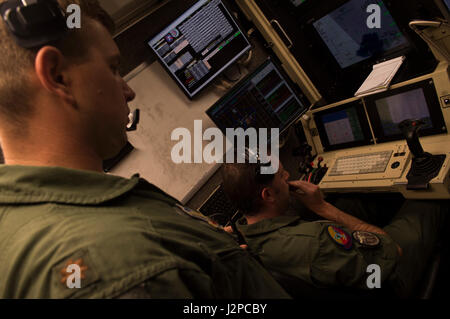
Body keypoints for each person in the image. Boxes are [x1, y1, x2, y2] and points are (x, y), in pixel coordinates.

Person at [0, 0, 290, 299]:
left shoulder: (17, 226)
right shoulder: (129, 267)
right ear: (58, 75)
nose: (129, 91)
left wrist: (211, 251)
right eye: (113, 68)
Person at [221, 158, 449, 298]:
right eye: (282, 176)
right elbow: (391, 250)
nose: (288, 176)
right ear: (268, 195)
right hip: (388, 280)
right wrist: (324, 208)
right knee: (428, 197)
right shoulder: (315, 241)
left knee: (358, 204)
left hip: (338, 275)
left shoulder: (242, 239)